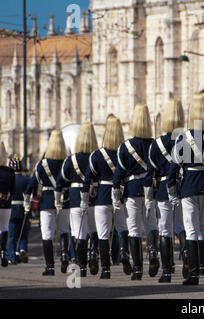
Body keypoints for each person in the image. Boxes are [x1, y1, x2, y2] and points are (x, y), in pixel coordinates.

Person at [167, 92, 204, 286]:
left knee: (191, 230)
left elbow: (173, 169)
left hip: (189, 186)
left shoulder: (182, 139)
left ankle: (194, 273)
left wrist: (171, 190)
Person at [81, 115, 131, 279]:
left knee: (103, 234)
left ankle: (106, 269)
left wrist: (84, 200)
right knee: (123, 228)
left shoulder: (96, 155)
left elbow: (88, 179)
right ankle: (124, 253)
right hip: (122, 195)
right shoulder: (125, 152)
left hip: (102, 196)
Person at [113, 104, 156, 280]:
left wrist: (116, 195)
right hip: (151, 190)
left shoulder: (125, 147)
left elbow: (118, 174)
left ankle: (137, 269)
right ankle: (153, 253)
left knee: (134, 229)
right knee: (152, 224)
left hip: (131, 191)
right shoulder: (154, 144)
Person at [145, 98, 186, 283]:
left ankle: (167, 271)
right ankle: (187, 261)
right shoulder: (187, 140)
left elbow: (150, 173)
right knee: (184, 227)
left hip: (162, 189)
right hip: (183, 187)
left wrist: (148, 196)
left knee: (165, 230)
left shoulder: (156, 144)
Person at [24, 130, 70, 275]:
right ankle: (64, 255)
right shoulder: (66, 163)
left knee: (47, 234)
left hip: (47, 202)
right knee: (64, 231)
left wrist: (27, 203)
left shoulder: (41, 164)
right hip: (64, 200)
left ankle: (50, 267)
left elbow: (30, 186)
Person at [56, 123, 99, 277]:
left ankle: (81, 265)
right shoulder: (96, 156)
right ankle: (93, 253)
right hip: (93, 196)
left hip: (75, 198)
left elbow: (61, 181)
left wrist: (58, 200)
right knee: (94, 229)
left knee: (78, 232)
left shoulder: (71, 160)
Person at [7, 156, 31, 264]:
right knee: (24, 231)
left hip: (12, 207)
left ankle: (12, 256)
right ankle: (22, 249)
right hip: (23, 206)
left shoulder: (9, 180)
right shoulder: (26, 179)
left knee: (12, 234)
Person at [0, 142, 15, 267]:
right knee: (4, 228)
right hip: (5, 202)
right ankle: (3, 251)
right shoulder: (9, 171)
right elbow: (13, 190)